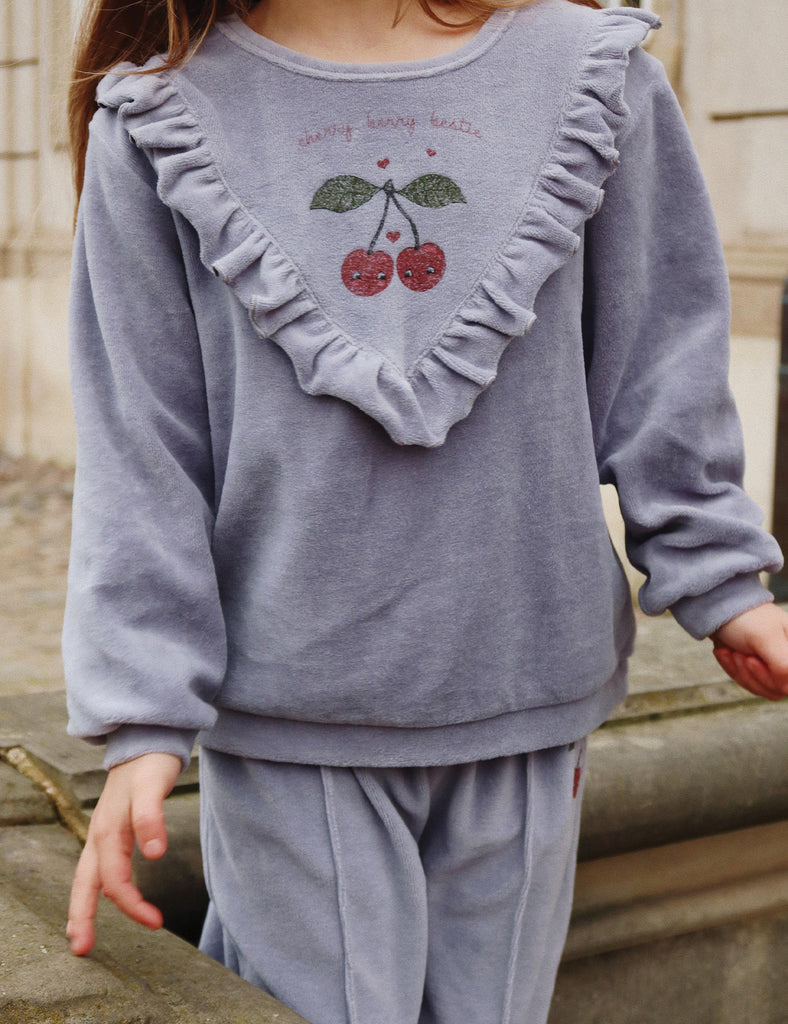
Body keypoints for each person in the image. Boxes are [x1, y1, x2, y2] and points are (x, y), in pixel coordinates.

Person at [62, 1, 788, 1022]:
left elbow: (659, 362)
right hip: (290, 718)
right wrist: (140, 712)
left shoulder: (594, 77)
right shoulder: (162, 117)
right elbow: (143, 445)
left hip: (525, 693)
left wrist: (724, 583)